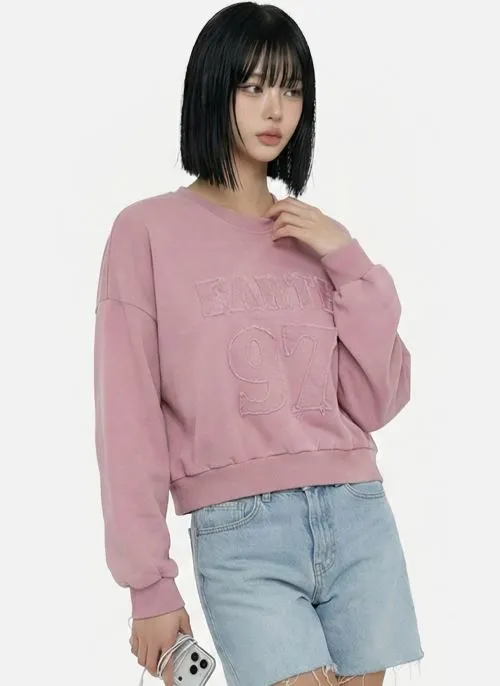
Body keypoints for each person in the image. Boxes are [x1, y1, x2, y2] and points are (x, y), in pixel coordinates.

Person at [93, 3, 424, 685]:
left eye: (292, 89)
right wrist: (148, 583)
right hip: (241, 532)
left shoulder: (313, 238)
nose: (276, 109)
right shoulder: (146, 232)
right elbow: (127, 419)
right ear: (213, 89)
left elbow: (377, 401)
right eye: (253, 86)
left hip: (356, 512)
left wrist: (348, 259)